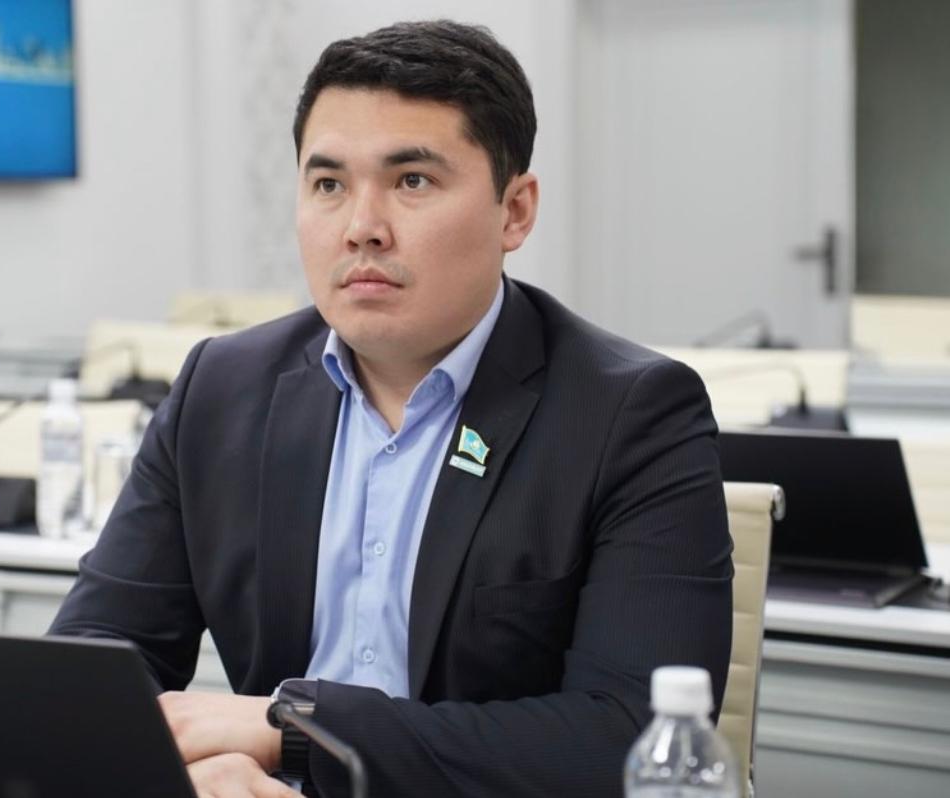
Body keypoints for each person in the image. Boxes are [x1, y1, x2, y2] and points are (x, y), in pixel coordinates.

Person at [50, 19, 732, 798]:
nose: (361, 228)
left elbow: (627, 739)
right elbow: (96, 660)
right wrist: (194, 770)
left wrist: (294, 730)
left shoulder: (631, 416)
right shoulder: (221, 389)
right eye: (328, 185)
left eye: (412, 181)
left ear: (514, 211)